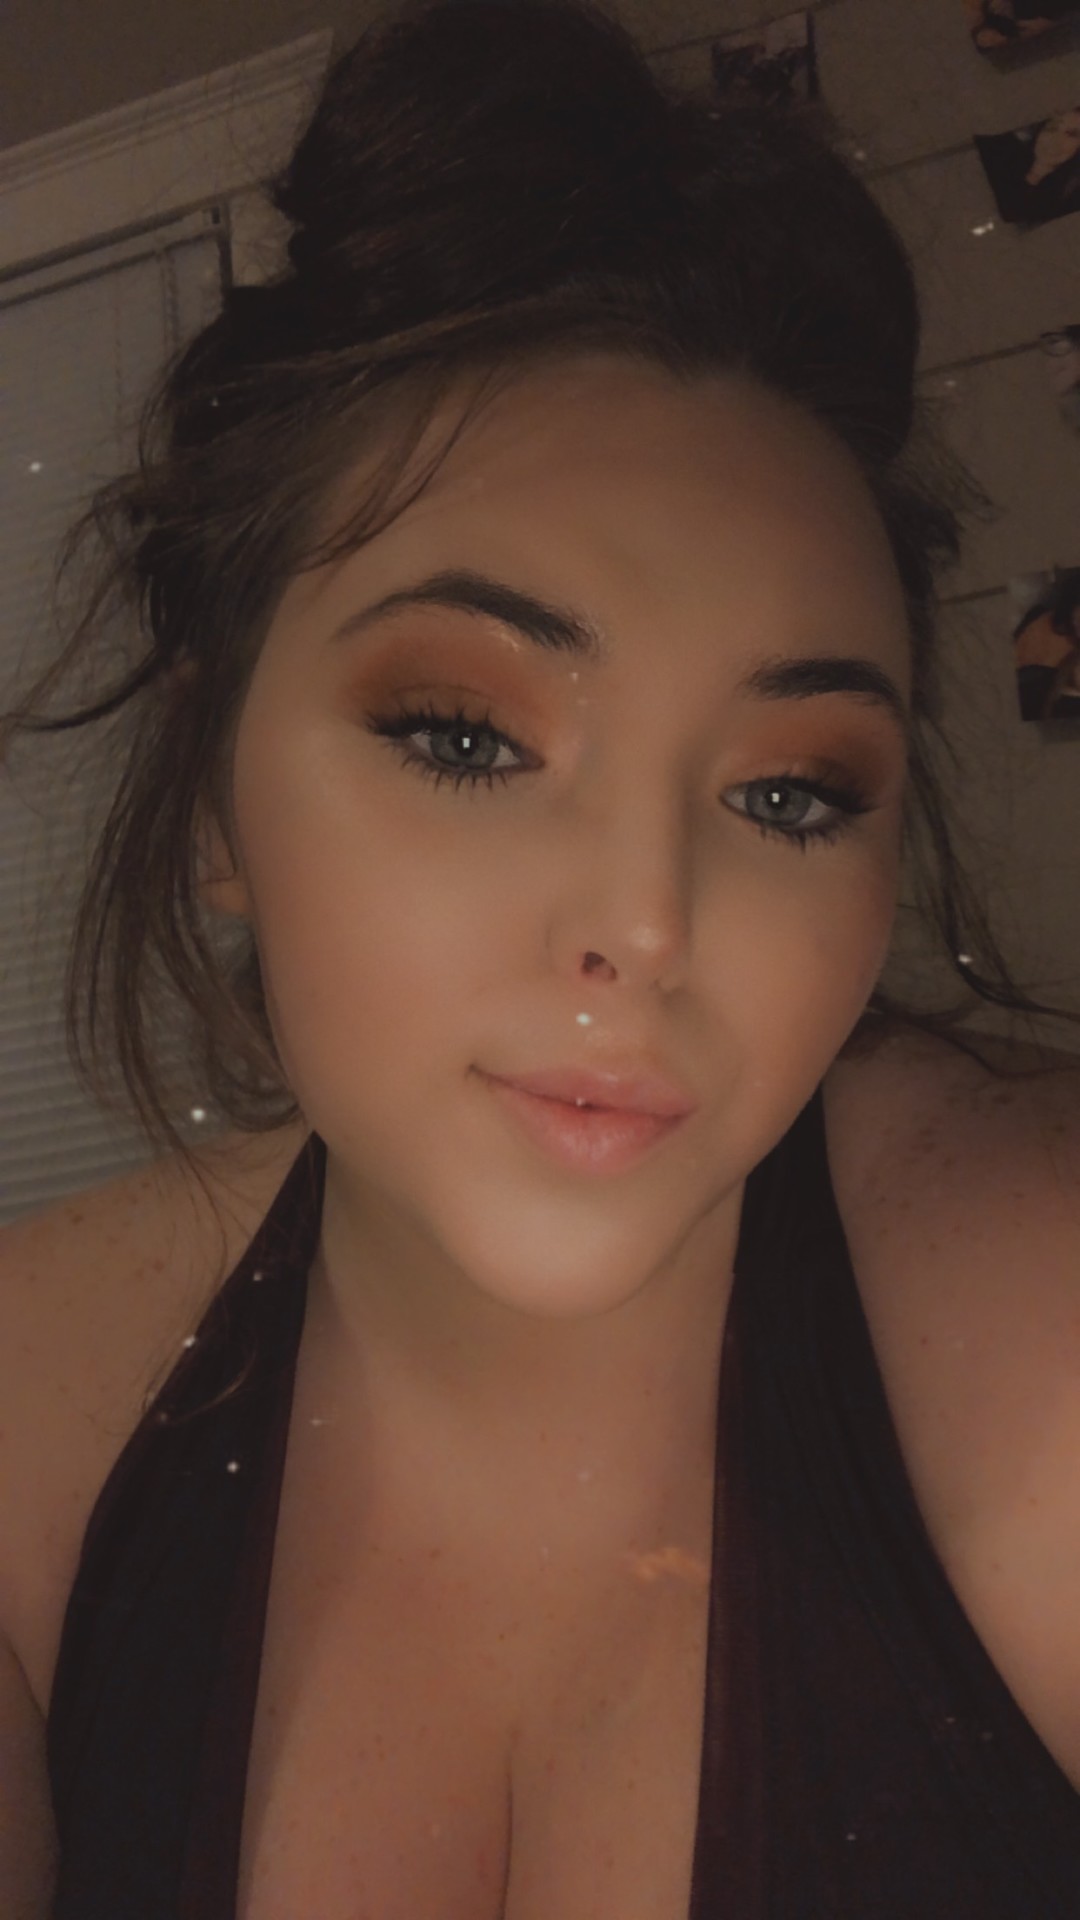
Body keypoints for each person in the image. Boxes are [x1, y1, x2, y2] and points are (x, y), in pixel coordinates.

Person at [2, 0, 1079, 1913]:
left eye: (792, 793)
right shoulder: (32, 1410)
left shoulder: (1033, 1316)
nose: (648, 927)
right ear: (215, 804)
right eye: (465, 737)